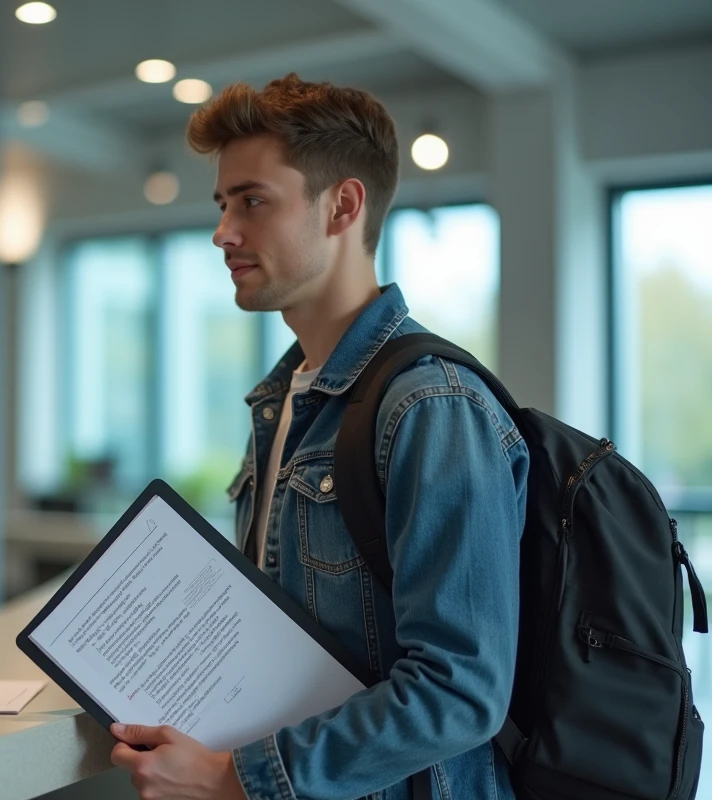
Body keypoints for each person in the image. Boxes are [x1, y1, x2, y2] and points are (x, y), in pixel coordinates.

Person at [110, 76, 527, 799]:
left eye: (253, 201)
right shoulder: (281, 403)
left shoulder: (431, 405)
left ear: (343, 205)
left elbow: (461, 693)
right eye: (222, 204)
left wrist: (237, 779)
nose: (223, 232)